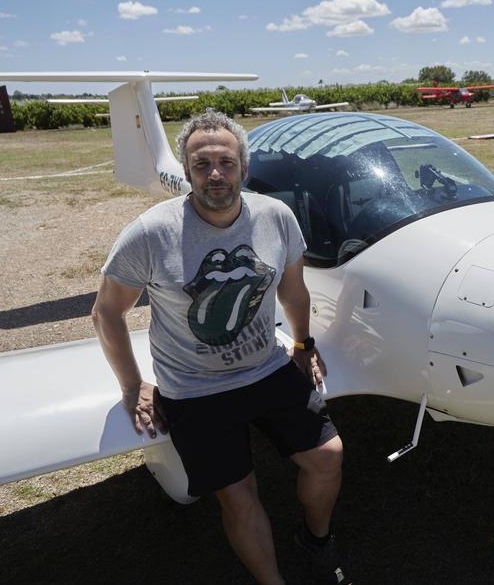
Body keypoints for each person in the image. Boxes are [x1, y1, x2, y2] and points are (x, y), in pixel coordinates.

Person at [92, 109, 348, 585]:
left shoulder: (276, 217)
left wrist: (303, 343)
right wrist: (132, 387)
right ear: (187, 172)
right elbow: (106, 311)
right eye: (202, 164)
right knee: (239, 493)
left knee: (328, 456)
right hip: (194, 388)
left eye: (226, 162)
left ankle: (316, 538)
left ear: (243, 169)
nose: (215, 174)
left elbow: (294, 290)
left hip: (266, 368)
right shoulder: (150, 233)